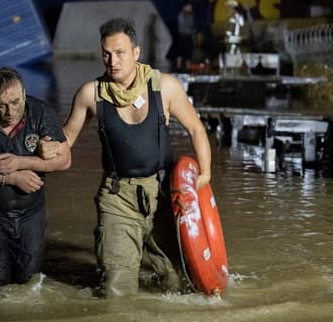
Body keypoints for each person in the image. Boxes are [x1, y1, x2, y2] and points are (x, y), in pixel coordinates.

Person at [42, 17, 211, 298]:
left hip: (163, 196)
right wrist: (47, 148)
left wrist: (204, 174)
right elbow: (67, 138)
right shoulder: (90, 94)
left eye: (120, 53)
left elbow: (195, 127)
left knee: (175, 283)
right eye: (106, 54)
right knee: (117, 289)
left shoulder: (165, 87)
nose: (112, 60)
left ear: (136, 52)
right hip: (117, 197)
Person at [0, 67, 71, 288]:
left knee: (29, 285)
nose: (10, 111)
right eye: (2, 105)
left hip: (31, 215)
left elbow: (65, 160)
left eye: (16, 102)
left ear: (24, 93)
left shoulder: (40, 112)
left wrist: (22, 163)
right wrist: (9, 179)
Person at [173, 1, 196, 72]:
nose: (190, 8)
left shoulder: (191, 15)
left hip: (189, 36)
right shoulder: (181, 15)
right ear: (185, 7)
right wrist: (191, 28)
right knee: (181, 52)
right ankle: (178, 67)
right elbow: (183, 25)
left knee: (189, 52)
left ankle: (188, 67)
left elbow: (192, 24)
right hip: (183, 36)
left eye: (191, 7)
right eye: (189, 7)